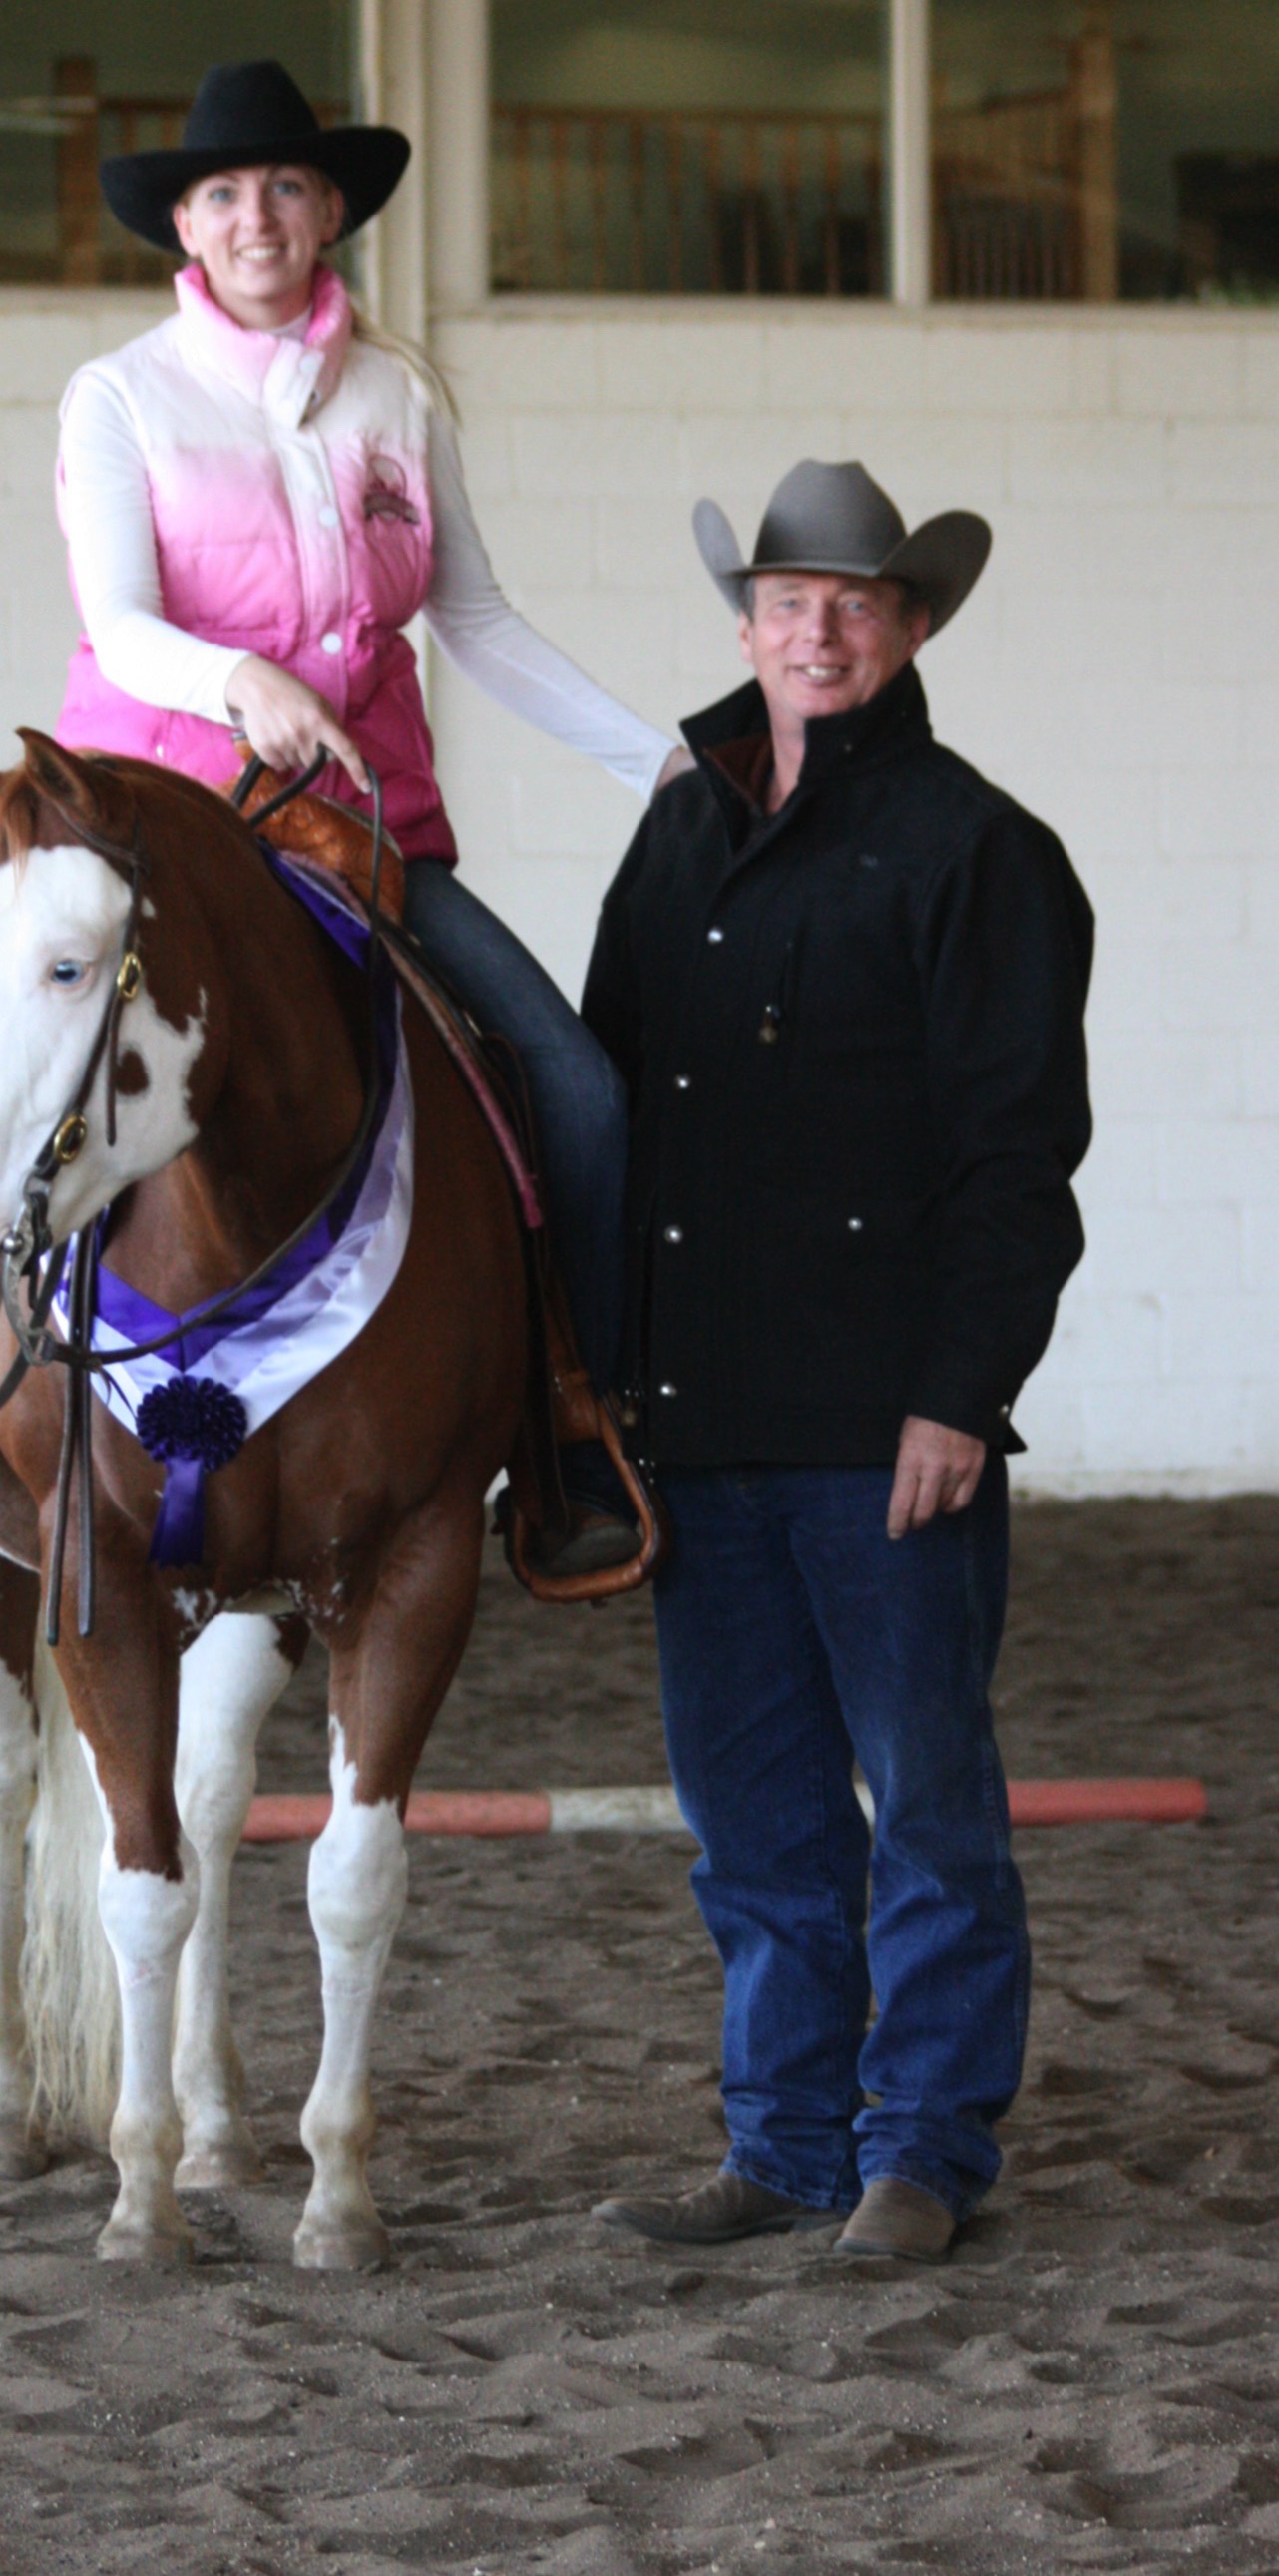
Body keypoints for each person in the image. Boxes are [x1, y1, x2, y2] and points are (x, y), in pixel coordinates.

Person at [0, 58, 688, 1581]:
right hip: (142, 825)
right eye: (221, 194)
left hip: (355, 831)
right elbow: (121, 621)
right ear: (184, 230)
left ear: (329, 210)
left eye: (283, 187)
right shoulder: (121, 397)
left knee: (581, 1095)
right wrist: (241, 681)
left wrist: (651, 762)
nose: (254, 215)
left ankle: (569, 1420)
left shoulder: (398, 398)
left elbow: (471, 616)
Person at [585, 460, 1094, 2263]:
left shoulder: (978, 850)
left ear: (910, 625)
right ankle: (786, 2142)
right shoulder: (678, 831)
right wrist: (592, 1390)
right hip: (698, 1415)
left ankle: (922, 2152)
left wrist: (960, 1389)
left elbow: (1015, 1156)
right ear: (747, 626)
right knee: (752, 1816)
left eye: (852, 603)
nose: (816, 630)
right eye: (787, 601)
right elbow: (608, 1109)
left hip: (886, 1422)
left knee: (927, 1803)